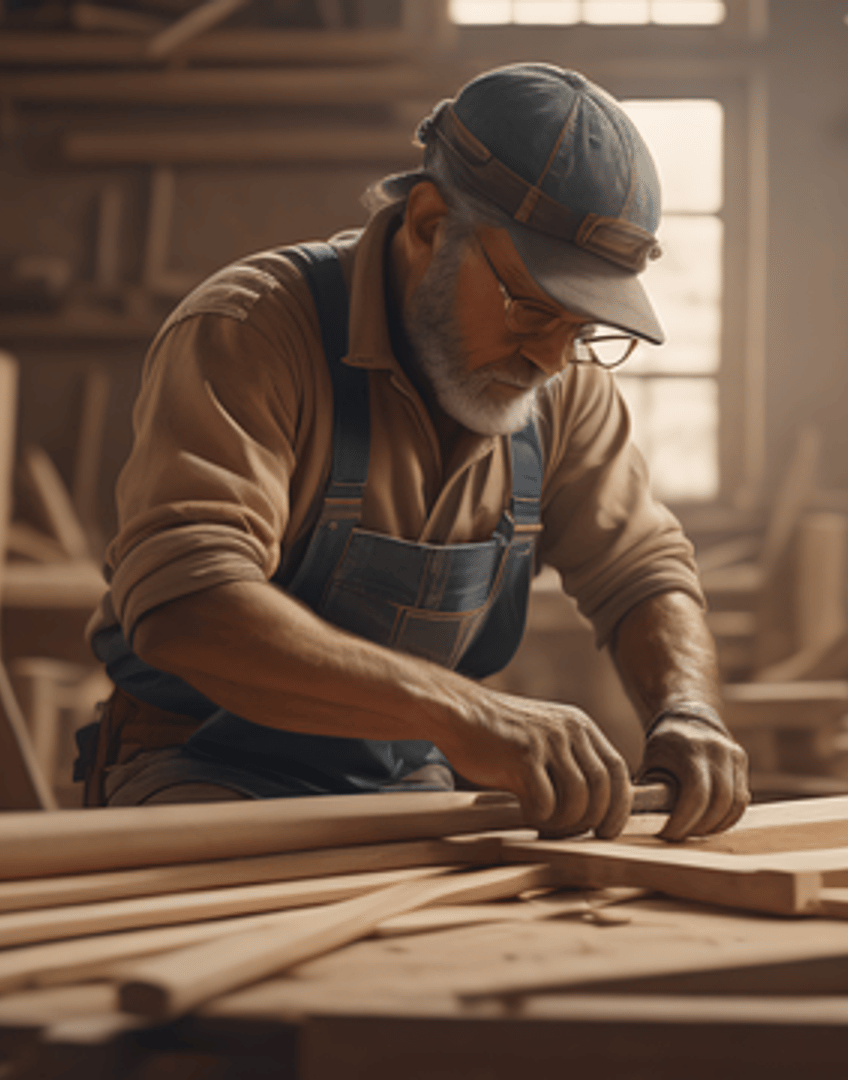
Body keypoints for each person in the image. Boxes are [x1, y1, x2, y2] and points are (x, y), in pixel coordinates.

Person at [78, 62, 749, 842]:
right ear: (430, 224)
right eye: (531, 308)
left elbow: (642, 574)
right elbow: (188, 609)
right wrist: (464, 712)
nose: (552, 359)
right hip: (198, 766)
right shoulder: (255, 331)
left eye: (584, 327)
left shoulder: (560, 384)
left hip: (405, 779)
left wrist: (689, 709)